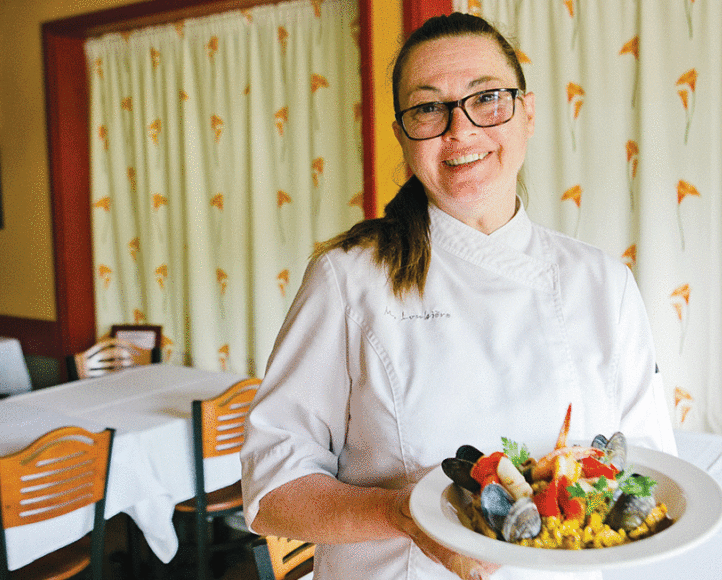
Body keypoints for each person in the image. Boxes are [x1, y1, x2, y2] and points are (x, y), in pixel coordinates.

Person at [240, 12, 676, 580]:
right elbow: (273, 491)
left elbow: (649, 473)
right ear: (402, 132)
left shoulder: (603, 283)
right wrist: (402, 514)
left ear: (528, 113)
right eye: (427, 108)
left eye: (487, 98)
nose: (460, 130)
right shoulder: (348, 278)